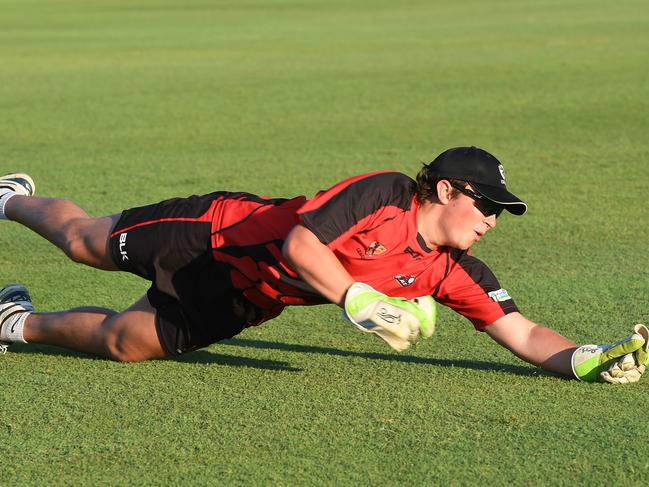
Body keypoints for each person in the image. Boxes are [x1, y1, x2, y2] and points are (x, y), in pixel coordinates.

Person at [0, 147, 646, 383]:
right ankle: (13, 197)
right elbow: (302, 246)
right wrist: (359, 301)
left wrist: (590, 356)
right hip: (215, 235)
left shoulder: (451, 272)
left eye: (499, 212)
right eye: (485, 205)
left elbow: (525, 334)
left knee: (123, 343)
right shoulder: (387, 193)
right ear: (445, 190)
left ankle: (15, 321)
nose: (491, 219)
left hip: (243, 298)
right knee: (84, 242)